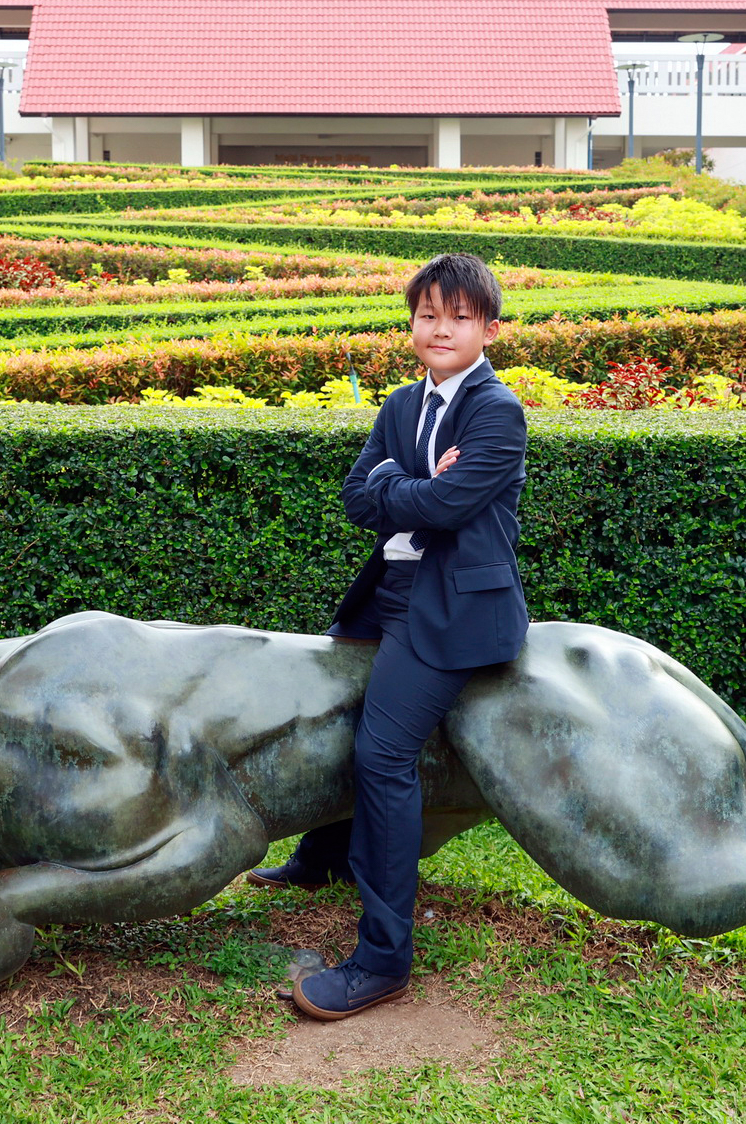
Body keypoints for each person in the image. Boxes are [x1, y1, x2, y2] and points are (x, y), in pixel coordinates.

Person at [247, 252, 530, 1021]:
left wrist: (398, 489)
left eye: (459, 316)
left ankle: (382, 960)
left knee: (381, 754)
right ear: (411, 323)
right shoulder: (403, 405)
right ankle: (320, 857)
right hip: (388, 595)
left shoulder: (496, 410)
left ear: (488, 328)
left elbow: (443, 508)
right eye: (427, 315)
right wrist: (406, 486)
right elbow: (356, 496)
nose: (440, 328)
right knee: (332, 714)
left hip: (451, 611)